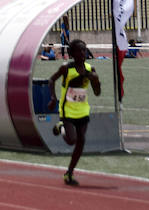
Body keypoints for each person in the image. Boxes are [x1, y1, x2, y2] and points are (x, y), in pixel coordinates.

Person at [47, 39, 100, 186]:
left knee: (81, 141)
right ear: (71, 53)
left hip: (83, 109)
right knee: (72, 140)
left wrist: (96, 81)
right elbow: (51, 80)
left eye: (84, 50)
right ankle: (61, 126)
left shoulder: (91, 69)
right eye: (79, 50)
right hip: (67, 110)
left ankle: (69, 173)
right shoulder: (66, 68)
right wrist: (53, 98)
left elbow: (97, 93)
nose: (82, 53)